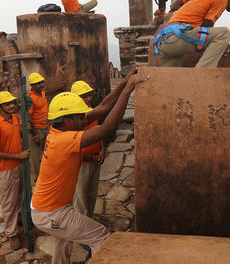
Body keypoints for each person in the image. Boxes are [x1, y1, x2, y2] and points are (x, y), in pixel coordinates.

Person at [31, 71, 150, 264]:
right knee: (100, 236)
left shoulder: (61, 129)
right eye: (80, 116)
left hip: (48, 208)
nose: (84, 118)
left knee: (63, 240)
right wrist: (128, 90)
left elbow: (103, 107)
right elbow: (106, 129)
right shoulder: (63, 140)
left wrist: (123, 82)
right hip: (52, 212)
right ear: (68, 119)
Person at [71, 67, 140, 221]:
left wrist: (101, 149)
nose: (88, 99)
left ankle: (88, 221)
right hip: (82, 162)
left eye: (89, 95)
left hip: (95, 159)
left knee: (91, 195)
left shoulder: (87, 111)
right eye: (84, 96)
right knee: (80, 198)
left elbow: (98, 130)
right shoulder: (76, 119)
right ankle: (82, 231)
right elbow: (105, 108)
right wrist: (127, 87)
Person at [0, 91, 31, 250]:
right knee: (9, 202)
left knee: (21, 195)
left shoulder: (15, 118)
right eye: (7, 104)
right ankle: (12, 234)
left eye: (12, 102)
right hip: (7, 169)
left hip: (20, 164)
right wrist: (17, 155)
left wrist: (26, 128)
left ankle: (20, 220)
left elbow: (18, 135)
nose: (12, 106)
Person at [27, 72, 49, 180]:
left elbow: (49, 91)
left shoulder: (42, 92)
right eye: (38, 83)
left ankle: (46, 176)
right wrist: (35, 136)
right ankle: (38, 179)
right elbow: (29, 118)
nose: (41, 84)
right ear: (32, 86)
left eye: (41, 82)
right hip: (37, 130)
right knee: (36, 158)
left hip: (46, 127)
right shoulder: (31, 99)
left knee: (46, 154)